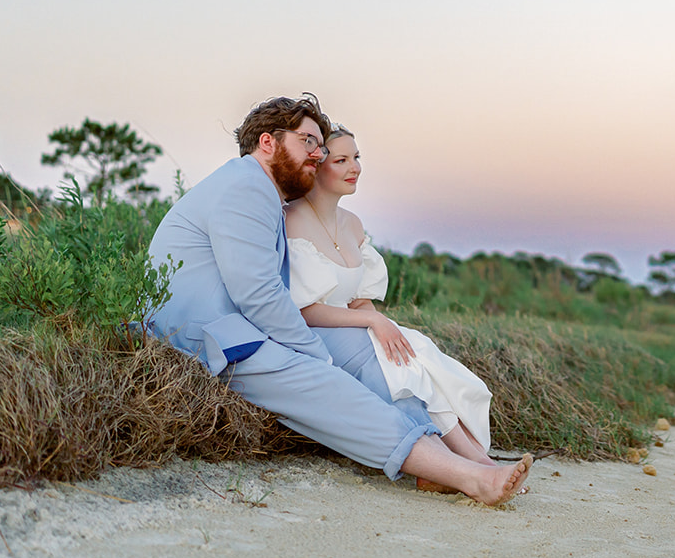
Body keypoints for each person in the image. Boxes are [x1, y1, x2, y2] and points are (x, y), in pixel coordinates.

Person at [145, 94, 530, 504]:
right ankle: (472, 477)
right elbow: (257, 294)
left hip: (239, 327)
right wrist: (315, 354)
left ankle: (439, 462)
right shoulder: (245, 187)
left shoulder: (256, 189)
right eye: (307, 141)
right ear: (267, 142)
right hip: (211, 338)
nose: (317, 153)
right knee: (327, 382)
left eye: (320, 146)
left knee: (367, 350)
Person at [283, 124, 499, 476]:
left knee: (416, 352)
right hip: (318, 334)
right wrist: (374, 321)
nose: (355, 168)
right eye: (341, 160)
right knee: (396, 367)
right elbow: (305, 310)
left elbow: (360, 300)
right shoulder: (290, 219)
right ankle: (470, 464)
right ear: (317, 165)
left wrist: (384, 325)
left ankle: (472, 459)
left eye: (356, 157)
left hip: (354, 326)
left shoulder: (352, 224)